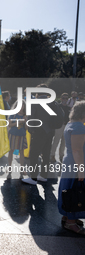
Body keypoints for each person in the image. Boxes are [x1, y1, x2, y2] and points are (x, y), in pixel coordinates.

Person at [57, 101, 85, 235]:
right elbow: (77, 150)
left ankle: (68, 215)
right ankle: (71, 222)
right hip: (75, 163)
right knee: (75, 191)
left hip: (70, 162)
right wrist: (81, 169)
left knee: (68, 189)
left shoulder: (71, 123)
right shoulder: (79, 126)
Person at [22, 84, 54, 185]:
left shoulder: (35, 102)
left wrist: (31, 131)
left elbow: (31, 118)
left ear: (37, 93)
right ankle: (43, 176)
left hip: (39, 131)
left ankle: (33, 178)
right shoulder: (52, 102)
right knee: (46, 154)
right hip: (50, 131)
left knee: (34, 155)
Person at [7, 100, 27, 178]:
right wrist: (17, 122)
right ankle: (9, 167)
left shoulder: (25, 115)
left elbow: (26, 128)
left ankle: (22, 169)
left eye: (22, 105)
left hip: (22, 135)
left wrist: (26, 121)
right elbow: (9, 125)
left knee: (22, 152)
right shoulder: (13, 114)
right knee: (11, 151)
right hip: (13, 135)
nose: (21, 107)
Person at [50, 93, 70, 163]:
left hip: (66, 126)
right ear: (61, 98)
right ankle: (52, 155)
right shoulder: (58, 107)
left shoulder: (69, 108)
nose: (65, 100)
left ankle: (61, 155)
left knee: (64, 142)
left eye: (66, 98)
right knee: (56, 141)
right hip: (59, 126)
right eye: (63, 98)